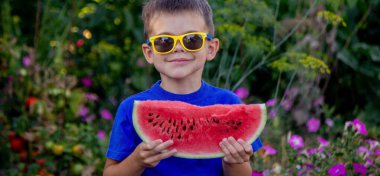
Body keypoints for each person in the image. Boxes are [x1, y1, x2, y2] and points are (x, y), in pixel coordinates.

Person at [103, 0, 263, 175]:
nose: (178, 48)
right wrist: (137, 161)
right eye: (164, 41)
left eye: (191, 40)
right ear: (149, 53)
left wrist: (234, 161)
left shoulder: (230, 103)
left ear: (211, 48)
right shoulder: (131, 108)